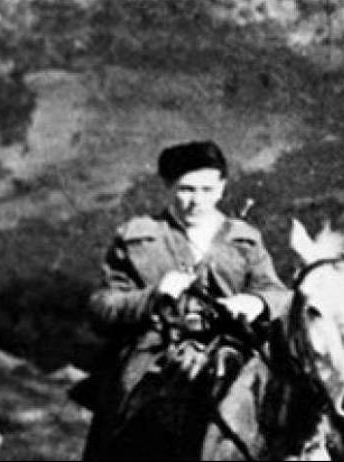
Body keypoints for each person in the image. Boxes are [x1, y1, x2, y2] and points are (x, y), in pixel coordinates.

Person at [80, 140, 291, 461]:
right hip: (156, 357)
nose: (197, 201)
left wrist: (255, 303)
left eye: (208, 190)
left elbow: (278, 294)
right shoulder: (139, 237)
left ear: (222, 188)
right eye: (186, 189)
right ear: (168, 187)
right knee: (130, 424)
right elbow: (102, 307)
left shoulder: (244, 239)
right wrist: (154, 295)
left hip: (231, 350)